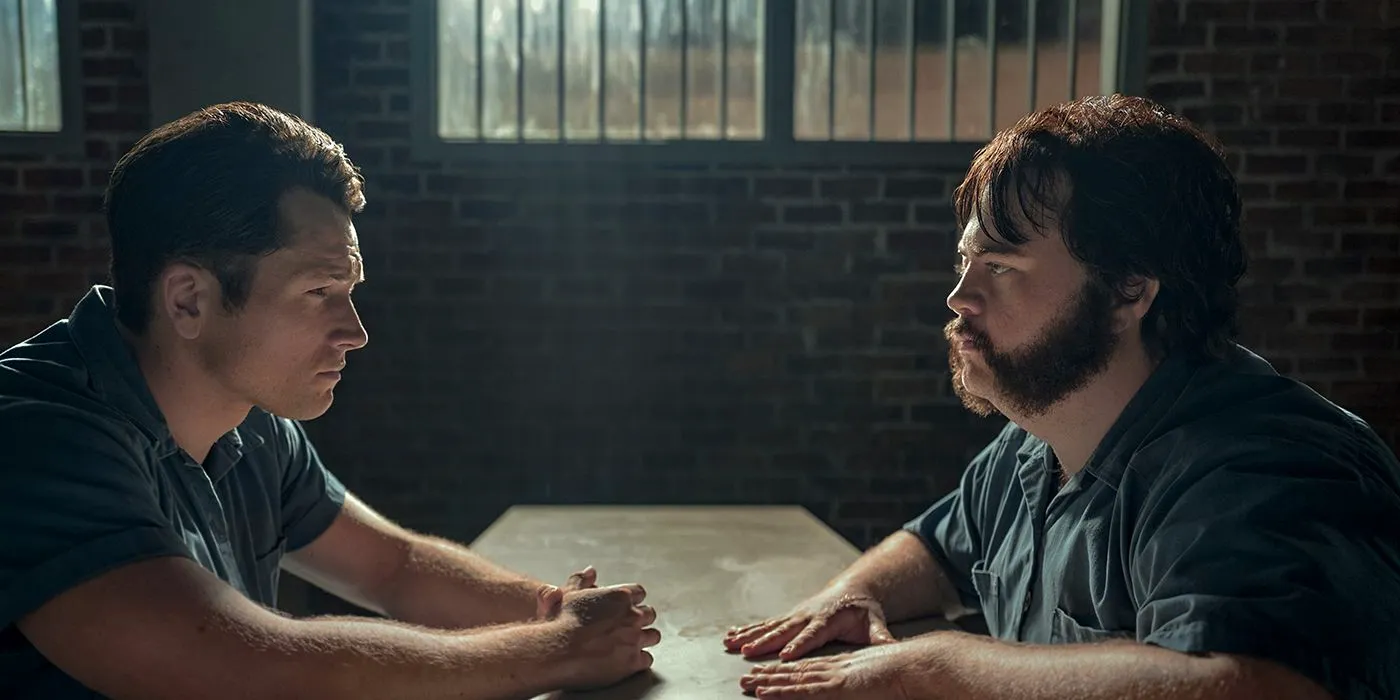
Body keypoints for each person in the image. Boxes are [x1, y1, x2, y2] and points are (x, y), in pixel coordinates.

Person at [724, 94, 1400, 700]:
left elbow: (1252, 686)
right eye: (966, 261)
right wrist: (858, 591)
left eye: (1002, 267)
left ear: (1130, 290)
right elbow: (934, 548)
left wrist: (941, 666)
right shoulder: (1036, 441)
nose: (960, 298)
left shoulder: (1268, 466)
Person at [0, 102, 659, 699]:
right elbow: (246, 668)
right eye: (319, 292)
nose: (355, 332)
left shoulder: (249, 420)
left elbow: (392, 567)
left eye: (351, 290)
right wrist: (556, 649)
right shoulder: (36, 436)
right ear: (188, 300)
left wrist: (555, 607)